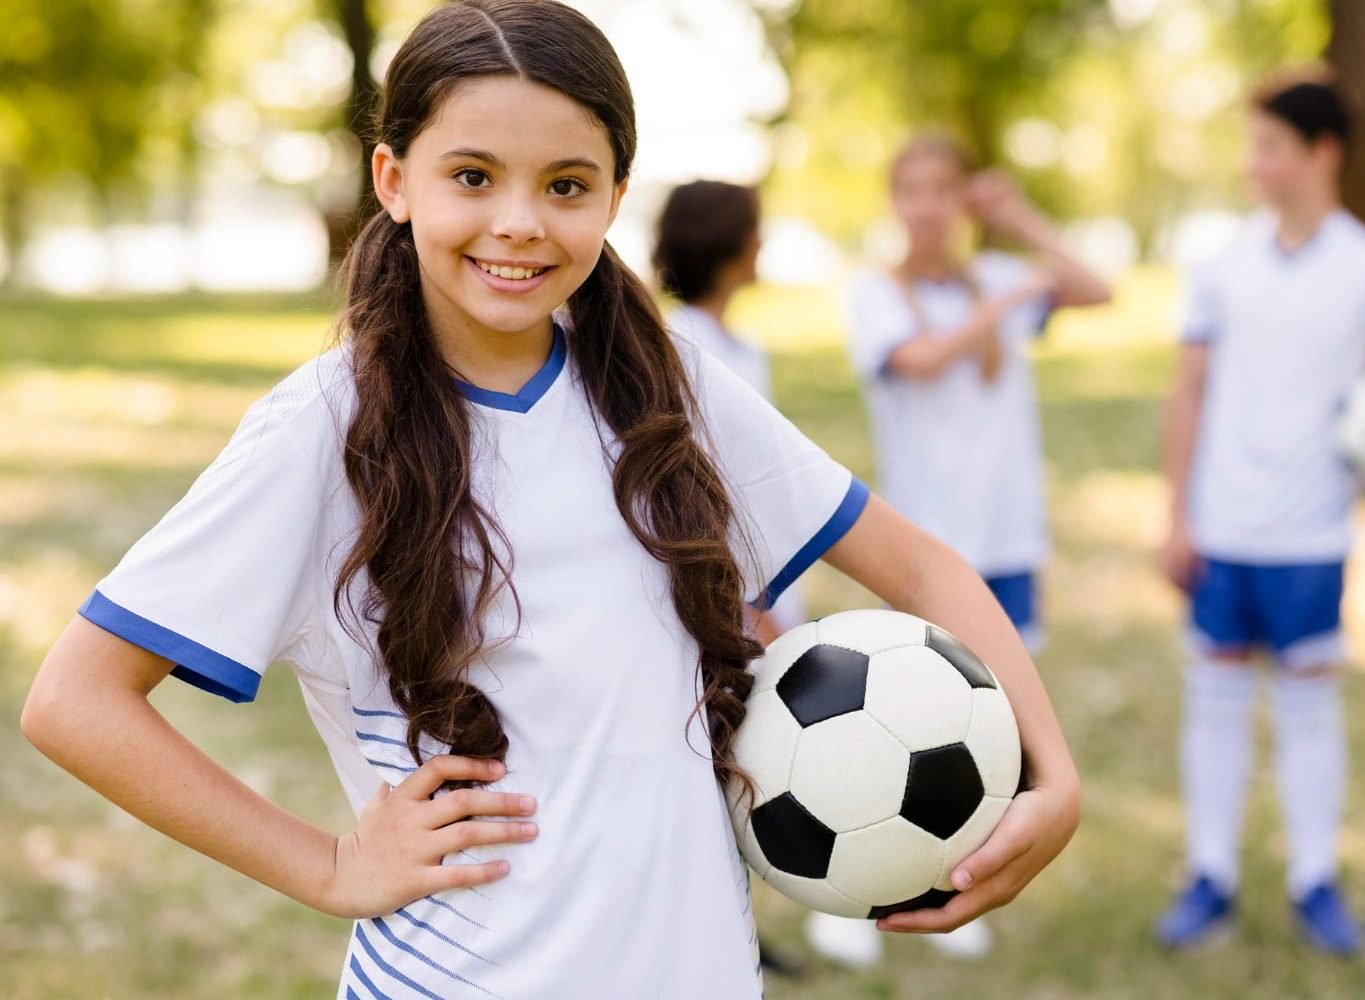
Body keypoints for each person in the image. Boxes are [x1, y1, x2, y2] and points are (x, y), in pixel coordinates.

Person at [18, 3, 1082, 997]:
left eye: (566, 185)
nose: (520, 223)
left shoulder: (670, 388)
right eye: (472, 176)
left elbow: (927, 569)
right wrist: (334, 863)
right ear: (393, 179)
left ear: (617, 196)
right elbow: (76, 700)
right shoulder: (320, 432)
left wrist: (1054, 777)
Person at [1155, 73, 1365, 956]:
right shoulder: (1223, 265)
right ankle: (1209, 878)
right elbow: (1187, 392)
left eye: (1269, 146)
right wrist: (1174, 515)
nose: (1252, 164)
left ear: (1321, 154)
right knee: (1213, 702)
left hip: (1311, 541)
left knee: (1308, 709)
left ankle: (1314, 881)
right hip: (1222, 533)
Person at [814, 134, 1109, 967]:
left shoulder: (1002, 279)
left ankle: (964, 875)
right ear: (894, 202)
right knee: (894, 722)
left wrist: (1020, 220)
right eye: (912, 190)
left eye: (944, 189)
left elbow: (1095, 288)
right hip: (920, 549)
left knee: (999, 729)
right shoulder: (879, 294)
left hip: (1005, 536)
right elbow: (924, 357)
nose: (930, 207)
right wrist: (1004, 300)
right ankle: (851, 898)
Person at [653, 180, 806, 644]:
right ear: (729, 242)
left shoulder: (742, 347)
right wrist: (754, 614)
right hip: (730, 611)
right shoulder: (680, 347)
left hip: (766, 586)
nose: (762, 242)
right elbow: (691, 494)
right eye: (753, 229)